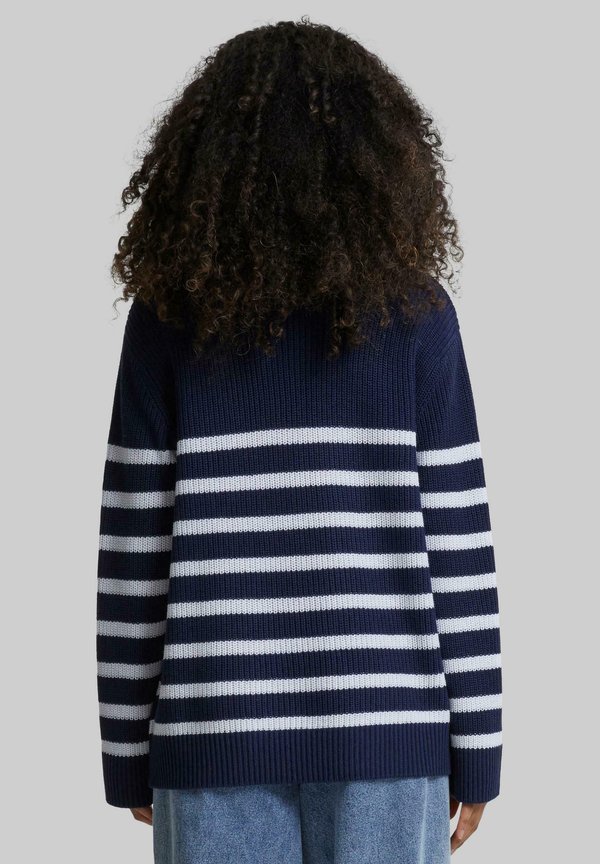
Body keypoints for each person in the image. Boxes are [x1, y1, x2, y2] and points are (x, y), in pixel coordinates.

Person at [96, 17, 502, 863]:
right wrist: (479, 747)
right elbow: (458, 544)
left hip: (212, 733)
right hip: (389, 737)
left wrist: (128, 753)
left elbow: (133, 550)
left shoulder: (168, 318)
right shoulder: (418, 313)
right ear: (380, 159)